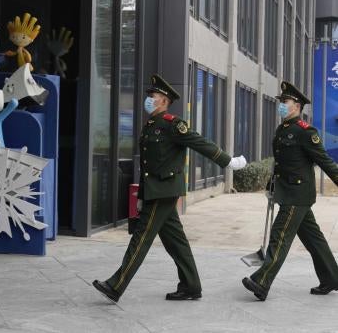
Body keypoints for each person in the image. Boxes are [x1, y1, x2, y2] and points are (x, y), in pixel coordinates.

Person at [93, 74, 247, 303]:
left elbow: (200, 143)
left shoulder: (173, 125)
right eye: (149, 95)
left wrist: (228, 162)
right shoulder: (151, 126)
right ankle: (191, 286)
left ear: (164, 101)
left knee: (141, 237)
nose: (148, 99)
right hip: (155, 189)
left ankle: (116, 285)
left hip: (164, 190)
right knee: (175, 240)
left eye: (153, 96)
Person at [242, 81, 338, 301]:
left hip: (297, 195)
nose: (281, 105)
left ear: (297, 106)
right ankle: (332, 277)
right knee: (314, 239)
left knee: (280, 236)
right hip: (288, 192)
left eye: (285, 101)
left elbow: (324, 160)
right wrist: (271, 184)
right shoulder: (283, 128)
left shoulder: (305, 132)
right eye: (281, 102)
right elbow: (282, 162)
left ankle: (261, 281)